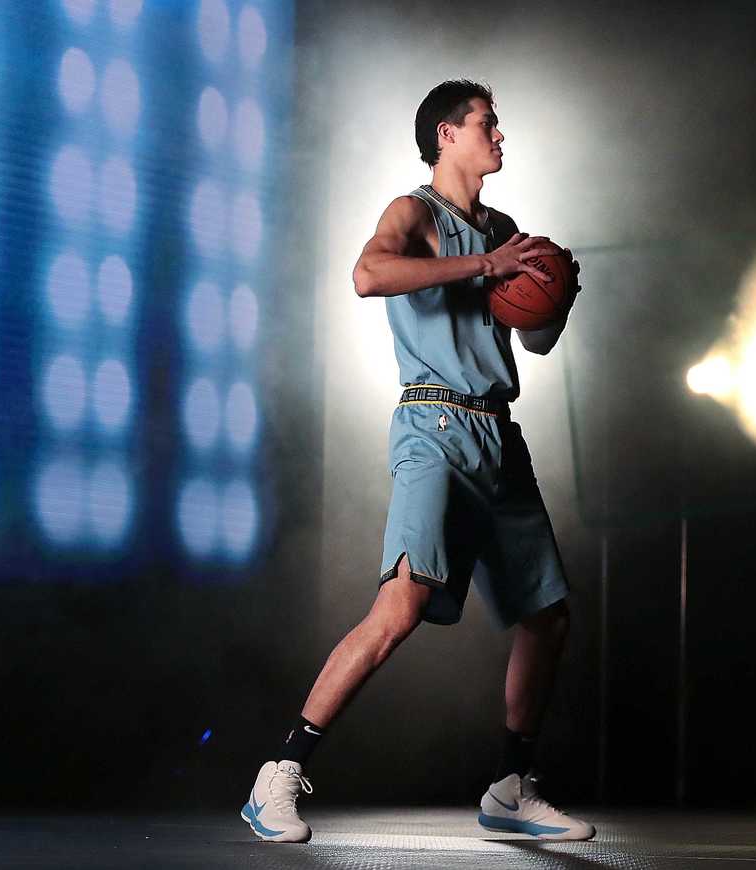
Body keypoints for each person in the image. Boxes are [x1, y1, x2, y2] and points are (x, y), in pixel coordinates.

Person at [240, 80, 594, 843]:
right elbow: (368, 276)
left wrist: (553, 298)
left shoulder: (504, 228)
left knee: (548, 617)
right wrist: (485, 268)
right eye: (489, 125)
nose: (501, 138)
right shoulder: (415, 214)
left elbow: (532, 341)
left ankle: (510, 788)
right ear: (447, 134)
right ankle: (279, 777)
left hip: (499, 430)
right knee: (399, 609)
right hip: (432, 423)